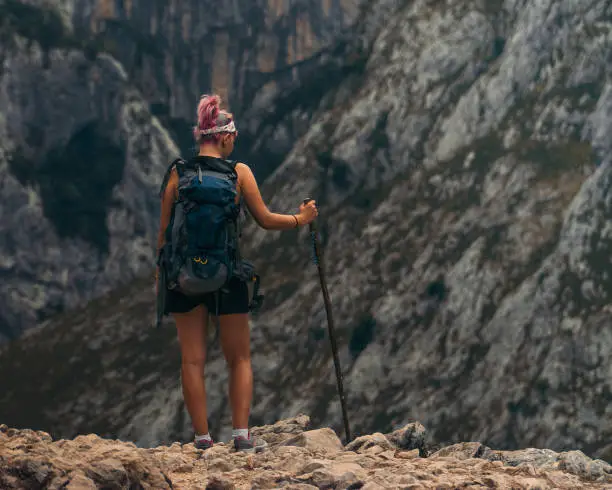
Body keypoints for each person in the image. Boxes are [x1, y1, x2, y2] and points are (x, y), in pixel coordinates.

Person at [156, 94, 318, 453]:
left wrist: (161, 279)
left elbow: (164, 235)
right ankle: (242, 435)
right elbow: (264, 219)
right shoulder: (238, 173)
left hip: (183, 276)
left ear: (201, 136)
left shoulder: (177, 174)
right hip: (227, 274)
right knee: (239, 358)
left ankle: (201, 439)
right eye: (234, 135)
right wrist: (300, 219)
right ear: (225, 137)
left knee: (192, 360)